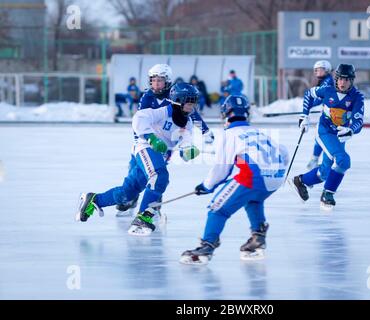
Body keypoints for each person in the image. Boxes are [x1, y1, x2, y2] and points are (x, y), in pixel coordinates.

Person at [76, 83, 202, 236]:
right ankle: (143, 217)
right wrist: (152, 138)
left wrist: (188, 151)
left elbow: (184, 142)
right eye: (189, 102)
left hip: (157, 157)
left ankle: (94, 199)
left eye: (194, 102)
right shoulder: (160, 112)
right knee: (159, 176)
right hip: (144, 149)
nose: (192, 106)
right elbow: (139, 118)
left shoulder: (187, 123)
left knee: (128, 194)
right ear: (178, 101)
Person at [179, 95, 289, 265]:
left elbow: (222, 170)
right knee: (253, 200)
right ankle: (258, 237)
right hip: (276, 177)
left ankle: (207, 245)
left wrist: (206, 186)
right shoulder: (258, 132)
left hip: (254, 177)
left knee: (217, 209)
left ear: (225, 114)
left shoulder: (229, 134)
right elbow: (283, 151)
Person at [115, 64, 214, 217]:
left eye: (159, 81)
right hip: (147, 140)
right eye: (153, 80)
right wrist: (140, 139)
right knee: (134, 168)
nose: (156, 84)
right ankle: (131, 197)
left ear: (167, 81)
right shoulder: (147, 96)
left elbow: (192, 114)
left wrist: (205, 130)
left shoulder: (175, 95)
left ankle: (154, 202)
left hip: (167, 142)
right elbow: (140, 118)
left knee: (158, 171)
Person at [292, 64, 364, 210]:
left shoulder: (357, 97)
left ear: (352, 81)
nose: (343, 83)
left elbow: (358, 121)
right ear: (336, 79)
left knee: (325, 172)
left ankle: (300, 181)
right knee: (343, 160)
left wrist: (350, 130)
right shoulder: (327, 90)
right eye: (340, 79)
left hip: (339, 135)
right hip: (324, 132)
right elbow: (309, 94)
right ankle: (327, 195)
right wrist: (304, 115)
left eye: (347, 79)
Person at [302, 60, 334, 170]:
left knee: (321, 137)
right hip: (329, 113)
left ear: (327, 70)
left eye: (320, 69)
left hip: (331, 116)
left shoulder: (328, 81)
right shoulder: (325, 80)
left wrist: (309, 106)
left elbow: (320, 98)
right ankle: (315, 159)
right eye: (316, 70)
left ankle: (316, 160)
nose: (317, 71)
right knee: (319, 137)